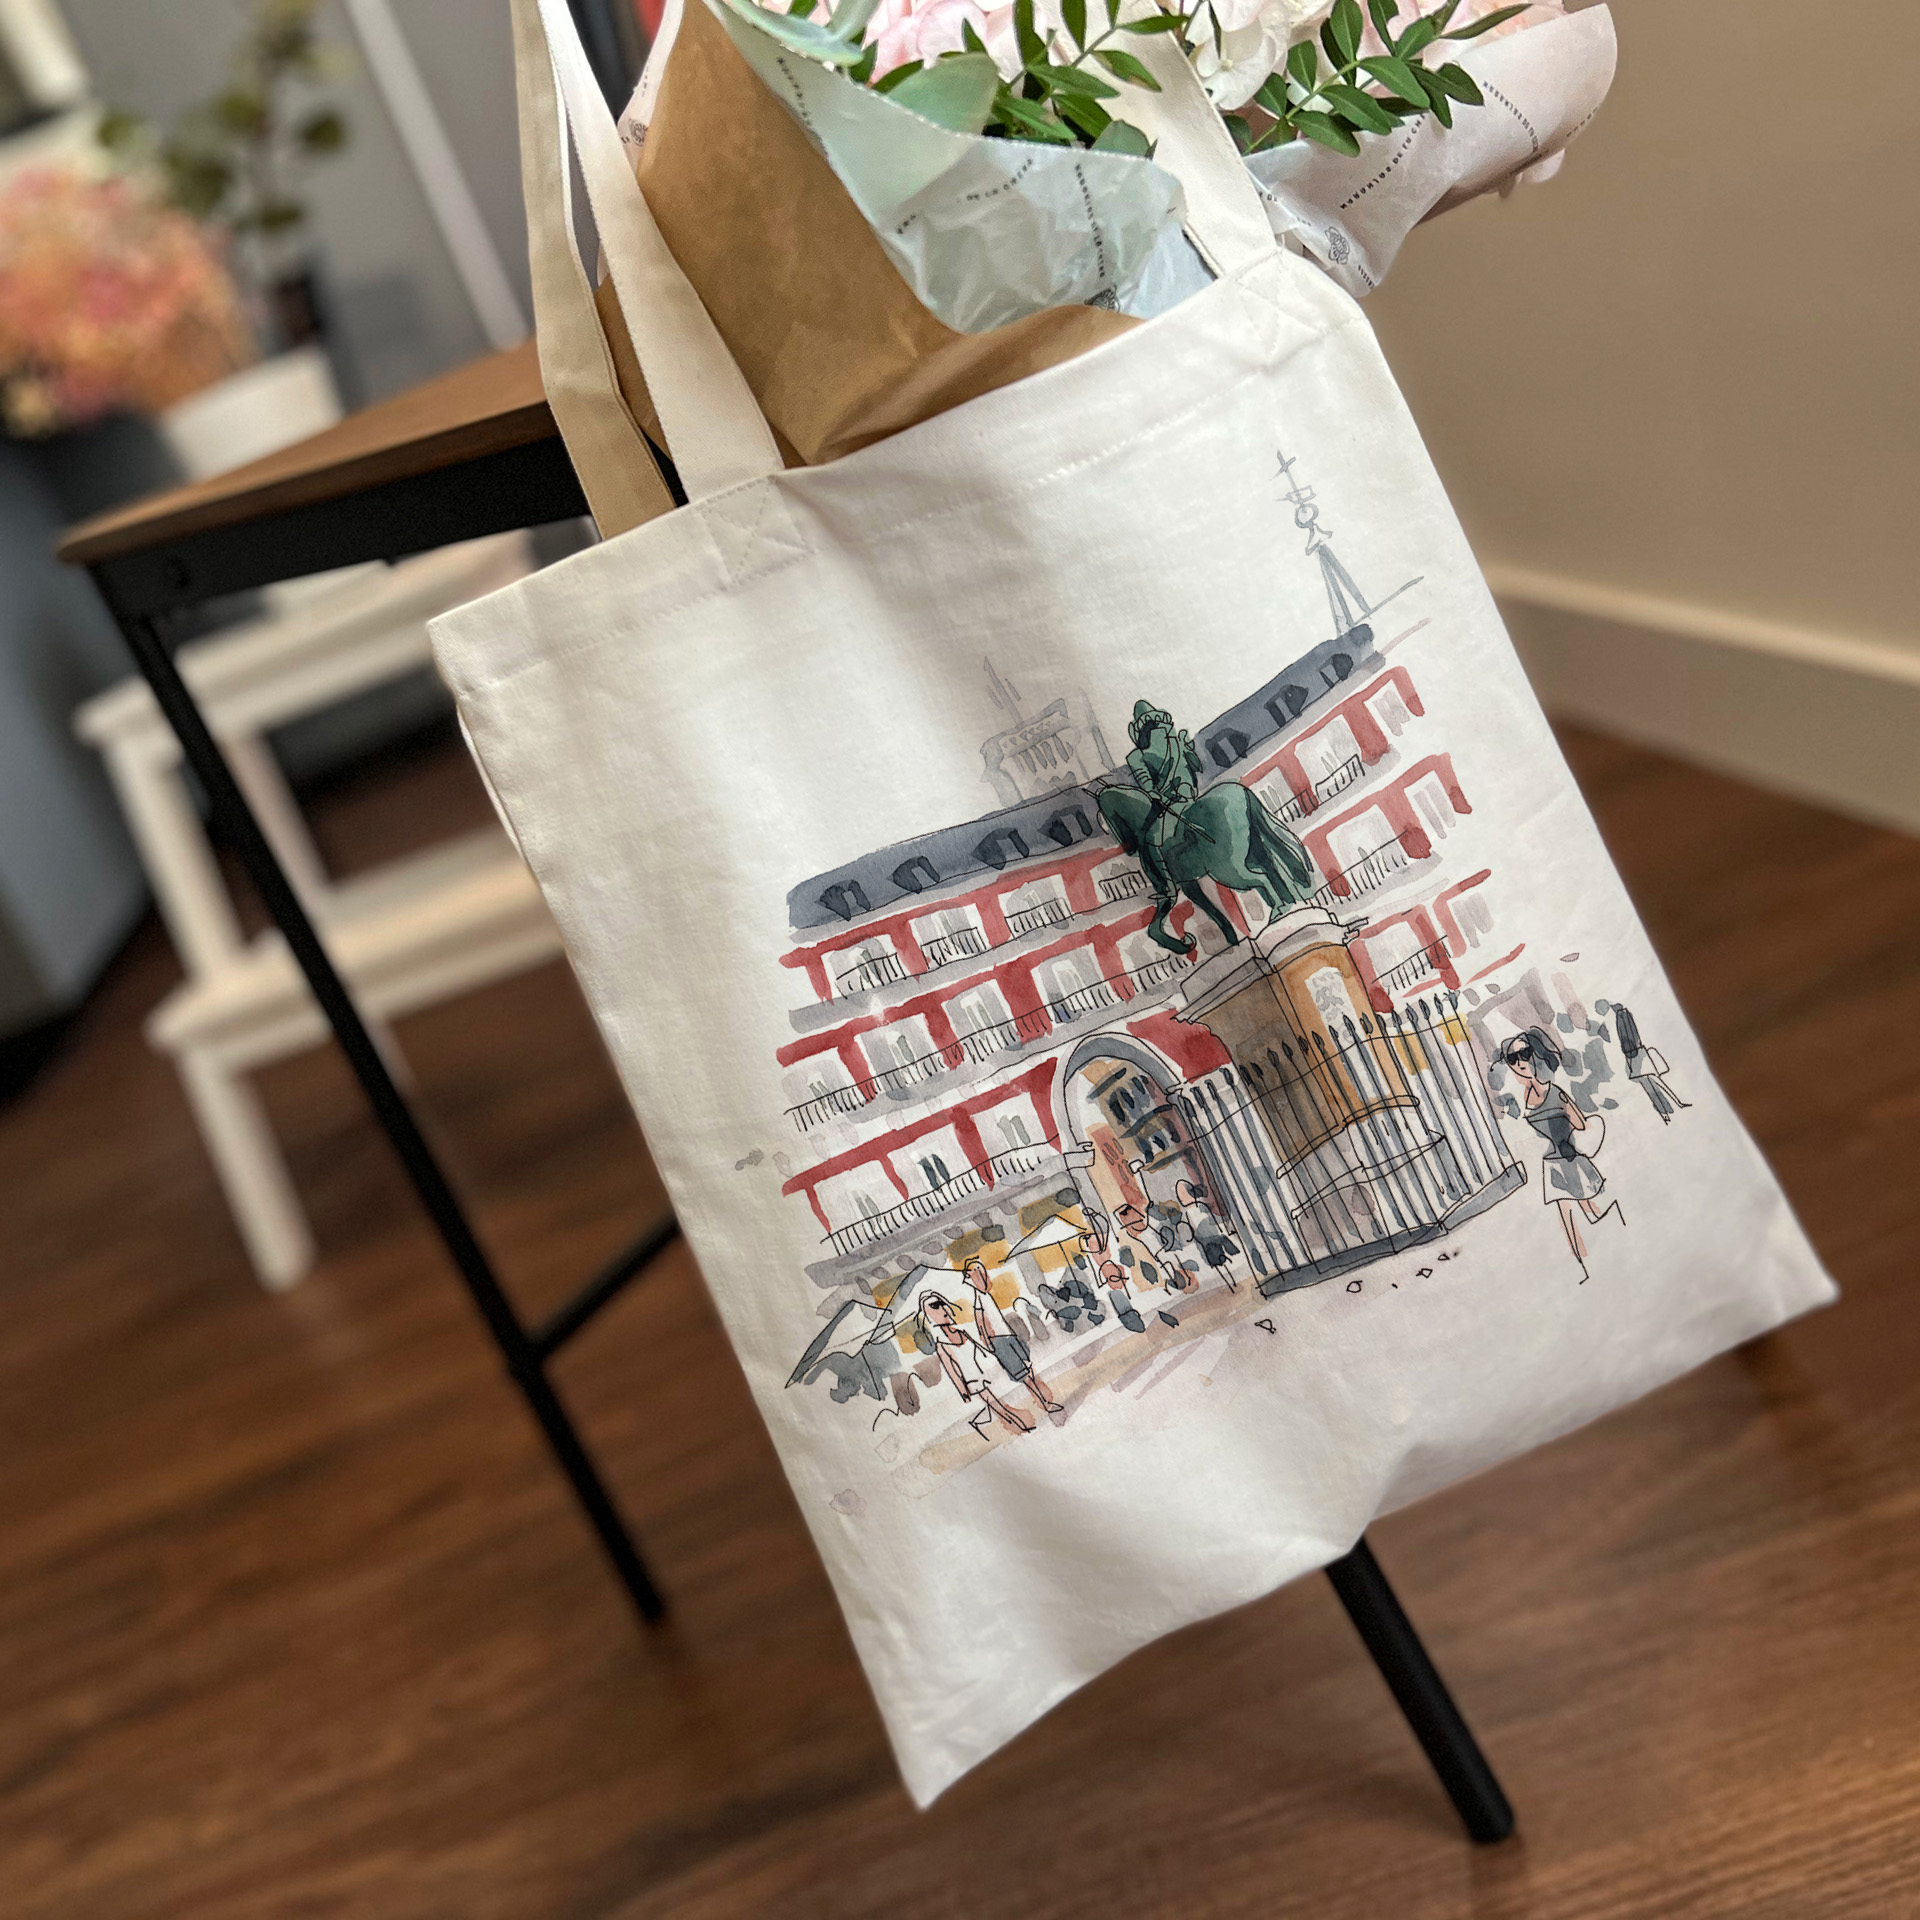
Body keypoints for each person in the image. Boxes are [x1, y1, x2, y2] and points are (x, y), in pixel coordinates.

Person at [1499, 1027, 1622, 1274]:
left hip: (1567, 1158)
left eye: (1524, 1054)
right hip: (1557, 1161)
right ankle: (1585, 1263)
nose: (1520, 1062)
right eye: (1513, 1058)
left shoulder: (1545, 1095)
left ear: (1535, 1054)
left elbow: (1579, 1124)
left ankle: (1591, 1259)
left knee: (1582, 1208)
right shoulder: (1541, 1094)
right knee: (1573, 1210)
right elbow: (1581, 1123)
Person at [1125, 699, 1202, 909]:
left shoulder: (1136, 756)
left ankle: (1168, 888)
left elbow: (1148, 786)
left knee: (1150, 841)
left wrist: (1156, 794)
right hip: (1190, 794)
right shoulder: (1176, 740)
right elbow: (1196, 766)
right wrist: (1187, 746)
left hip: (1172, 803)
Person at [919, 1291, 1031, 1435]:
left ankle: (979, 1422)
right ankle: (1017, 1424)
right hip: (971, 1379)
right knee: (996, 1404)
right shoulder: (941, 1343)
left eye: (941, 1304)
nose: (942, 1310)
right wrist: (962, 1390)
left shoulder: (962, 1330)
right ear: (930, 1317)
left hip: (981, 1372)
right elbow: (951, 1369)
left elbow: (980, 1348)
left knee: (994, 1402)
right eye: (935, 1307)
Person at [962, 1259, 1064, 1417]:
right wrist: (992, 1345)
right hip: (1001, 1342)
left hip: (1008, 1338)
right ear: (972, 1278)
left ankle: (1047, 1402)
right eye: (978, 1273)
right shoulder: (978, 1301)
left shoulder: (985, 1296)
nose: (984, 1276)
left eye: (983, 1272)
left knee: (1029, 1371)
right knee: (1026, 1376)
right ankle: (1045, 1404)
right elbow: (982, 1327)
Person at [1613, 1002, 1689, 1123]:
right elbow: (1632, 1038)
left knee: (1652, 1088)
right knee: (1655, 1086)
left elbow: (1629, 1040)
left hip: (1635, 1056)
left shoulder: (1622, 1018)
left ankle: (1668, 1112)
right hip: (1636, 1055)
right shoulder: (1624, 1018)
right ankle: (1670, 1109)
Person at [1084, 1215, 1148, 1334]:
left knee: (1103, 1257)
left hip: (1111, 1276)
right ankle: (1092, 1237)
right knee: (1103, 1256)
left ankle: (1092, 1237)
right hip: (1111, 1275)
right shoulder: (1108, 1265)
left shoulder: (1108, 1268)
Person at [1176, 1178, 1240, 1291]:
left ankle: (1233, 1280)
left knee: (1223, 1258)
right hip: (1204, 1242)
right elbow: (1188, 1233)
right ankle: (1229, 1284)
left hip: (1215, 1237)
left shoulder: (1202, 1207)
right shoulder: (1187, 1214)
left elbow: (1214, 1219)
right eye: (1180, 1197)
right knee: (1217, 1263)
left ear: (1192, 1193)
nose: (1182, 1199)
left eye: (1184, 1196)